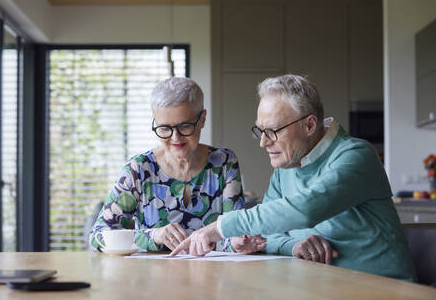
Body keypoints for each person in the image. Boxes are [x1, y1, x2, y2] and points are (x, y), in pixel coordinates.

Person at [172, 74, 416, 281]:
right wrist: (295, 245)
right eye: (260, 130)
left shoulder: (355, 156)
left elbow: (304, 210)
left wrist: (219, 228)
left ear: (309, 125)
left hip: (383, 289)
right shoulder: (286, 167)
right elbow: (264, 234)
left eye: (273, 131)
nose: (263, 142)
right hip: (326, 285)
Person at [90, 77, 254, 253]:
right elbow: (98, 237)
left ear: (202, 119)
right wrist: (153, 236)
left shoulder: (224, 163)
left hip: (211, 274)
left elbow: (232, 232)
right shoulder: (139, 170)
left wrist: (237, 244)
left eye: (185, 126)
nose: (175, 138)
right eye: (165, 128)